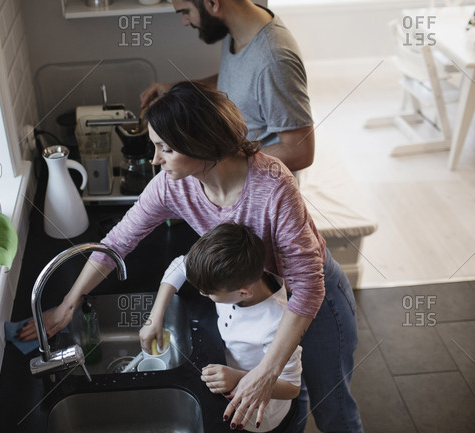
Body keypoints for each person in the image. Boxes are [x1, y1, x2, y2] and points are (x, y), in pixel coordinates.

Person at [19, 82, 363, 432]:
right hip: (255, 301)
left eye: (164, 148)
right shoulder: (174, 185)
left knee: (333, 408)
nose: (155, 159)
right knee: (288, 398)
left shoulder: (273, 185)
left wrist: (267, 372)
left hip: (313, 301)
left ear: (200, 142)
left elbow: (307, 288)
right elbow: (118, 242)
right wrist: (69, 303)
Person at [140, 0, 315, 173]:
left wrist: (215, 160)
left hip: (257, 183)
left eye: (185, 12)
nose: (185, 22)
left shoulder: (274, 60)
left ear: (213, 3)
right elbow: (244, 81)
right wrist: (174, 89)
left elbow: (300, 152)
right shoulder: (239, 30)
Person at [176, 223, 302, 432]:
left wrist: (238, 377)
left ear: (244, 293)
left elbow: (292, 388)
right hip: (230, 380)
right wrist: (157, 312)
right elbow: (180, 264)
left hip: (259, 416)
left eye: (208, 293)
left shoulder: (275, 325)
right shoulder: (236, 277)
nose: (202, 294)